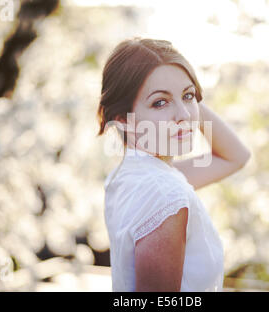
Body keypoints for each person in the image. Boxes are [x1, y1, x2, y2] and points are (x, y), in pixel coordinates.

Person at [97, 37, 251, 292]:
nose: (184, 115)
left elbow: (236, 156)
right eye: (160, 102)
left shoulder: (132, 175)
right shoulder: (164, 193)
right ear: (123, 119)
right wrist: (182, 92)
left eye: (189, 96)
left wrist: (180, 93)